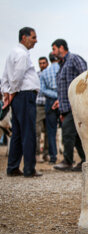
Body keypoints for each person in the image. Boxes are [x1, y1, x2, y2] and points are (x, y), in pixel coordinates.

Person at [1, 27, 42, 177]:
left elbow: (5, 75)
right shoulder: (22, 54)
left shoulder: (12, 53)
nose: (36, 40)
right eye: (33, 37)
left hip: (18, 96)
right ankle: (29, 169)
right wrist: (12, 92)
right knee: (28, 133)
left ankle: (12, 167)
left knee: (17, 133)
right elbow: (17, 76)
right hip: (24, 95)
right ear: (24, 38)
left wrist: (7, 92)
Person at [51, 39, 87, 171]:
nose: (53, 52)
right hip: (66, 106)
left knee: (66, 130)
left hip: (76, 105)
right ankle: (85, 161)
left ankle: (67, 160)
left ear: (61, 48)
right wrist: (60, 102)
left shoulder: (74, 59)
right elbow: (64, 86)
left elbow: (85, 78)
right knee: (76, 135)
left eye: (54, 49)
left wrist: (79, 100)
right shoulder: (62, 64)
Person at [40, 53, 60, 165]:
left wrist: (54, 95)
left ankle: (53, 157)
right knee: (68, 129)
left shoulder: (44, 72)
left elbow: (42, 90)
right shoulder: (62, 69)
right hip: (64, 100)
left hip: (50, 102)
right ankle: (68, 156)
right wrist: (60, 96)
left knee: (51, 131)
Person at [36, 56, 49, 163]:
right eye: (40, 63)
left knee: (49, 132)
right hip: (38, 105)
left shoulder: (49, 74)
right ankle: (37, 154)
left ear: (47, 63)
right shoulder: (36, 75)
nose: (42, 65)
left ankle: (46, 153)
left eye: (44, 63)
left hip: (48, 105)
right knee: (37, 131)